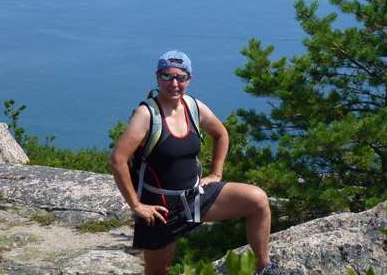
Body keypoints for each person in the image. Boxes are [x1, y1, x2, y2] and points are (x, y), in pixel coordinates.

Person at [109, 50, 271, 275]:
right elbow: (117, 160)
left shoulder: (193, 107)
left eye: (181, 77)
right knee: (159, 271)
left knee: (258, 200)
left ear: (189, 79)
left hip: (195, 197)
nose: (174, 83)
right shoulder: (147, 115)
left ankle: (264, 268)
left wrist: (216, 174)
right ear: (157, 77)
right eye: (167, 76)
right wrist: (136, 206)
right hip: (161, 208)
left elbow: (221, 134)